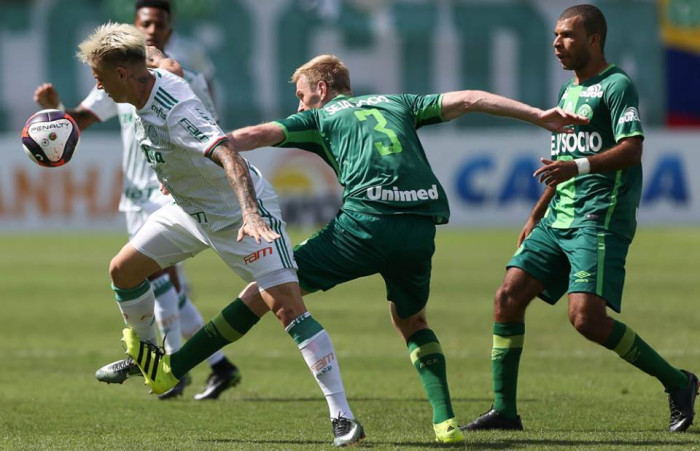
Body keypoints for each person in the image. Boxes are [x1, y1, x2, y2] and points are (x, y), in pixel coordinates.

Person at [130, 53, 588, 444]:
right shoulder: (400, 102)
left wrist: (203, 152)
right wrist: (539, 115)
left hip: (365, 226)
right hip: (420, 227)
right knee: (412, 319)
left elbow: (254, 135)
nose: (299, 102)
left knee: (268, 289)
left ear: (323, 89)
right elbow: (469, 98)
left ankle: (173, 368)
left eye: (303, 93)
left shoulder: (319, 116)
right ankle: (445, 422)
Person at [75, 22, 364, 447]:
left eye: (99, 76)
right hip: (191, 211)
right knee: (124, 270)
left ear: (121, 74)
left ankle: (343, 417)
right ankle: (147, 356)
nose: (96, 84)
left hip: (239, 215)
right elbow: (157, 58)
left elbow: (229, 153)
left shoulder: (175, 108)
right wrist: (147, 49)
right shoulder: (144, 77)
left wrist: (250, 213)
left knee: (288, 309)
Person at [462, 4, 698, 433]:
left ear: (594, 40)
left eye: (568, 35)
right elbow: (565, 158)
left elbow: (632, 148)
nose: (557, 43)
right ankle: (505, 411)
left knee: (586, 320)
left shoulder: (617, 85)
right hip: (559, 216)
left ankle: (679, 383)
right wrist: (536, 213)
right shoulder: (567, 93)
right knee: (507, 297)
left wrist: (578, 167)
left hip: (599, 216)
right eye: (556, 35)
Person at [33, 0, 237, 401]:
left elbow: (209, 127)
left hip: (170, 192)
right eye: (145, 23)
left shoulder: (180, 78)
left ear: (169, 28)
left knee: (160, 281)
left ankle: (172, 369)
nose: (151, 31)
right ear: (135, 25)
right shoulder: (119, 76)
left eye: (158, 24)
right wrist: (55, 113)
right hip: (135, 196)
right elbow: (83, 120)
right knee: (169, 289)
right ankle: (220, 365)